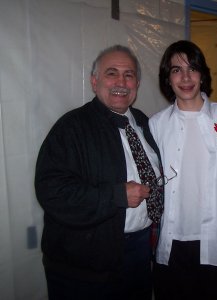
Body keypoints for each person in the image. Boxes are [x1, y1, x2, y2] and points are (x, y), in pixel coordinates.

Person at [35, 44, 163, 300]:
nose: (121, 82)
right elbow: (51, 192)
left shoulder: (144, 123)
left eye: (128, 75)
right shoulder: (71, 128)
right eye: (111, 73)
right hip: (84, 266)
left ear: (136, 84)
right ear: (94, 82)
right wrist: (116, 195)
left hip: (140, 254)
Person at [149, 40, 217, 300]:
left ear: (203, 75)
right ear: (168, 79)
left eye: (193, 68)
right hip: (171, 243)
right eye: (177, 70)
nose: (186, 77)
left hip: (215, 241)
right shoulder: (156, 124)